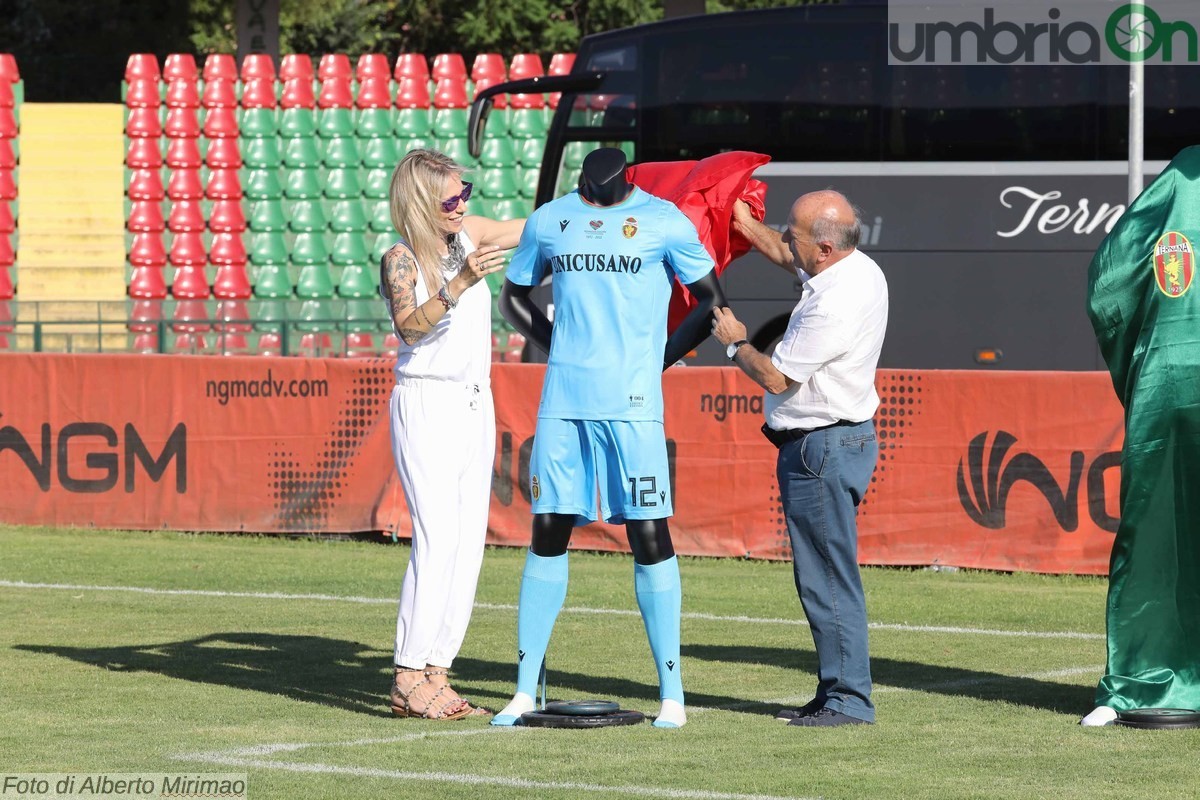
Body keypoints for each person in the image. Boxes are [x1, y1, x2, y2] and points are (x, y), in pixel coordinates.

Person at [491, 147, 726, 729]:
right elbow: (514, 297)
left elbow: (713, 304)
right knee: (549, 528)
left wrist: (658, 361)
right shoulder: (549, 219)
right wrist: (562, 348)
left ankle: (673, 695)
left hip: (634, 404)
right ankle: (523, 691)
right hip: (564, 401)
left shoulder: (665, 220)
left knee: (649, 533)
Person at [711, 190, 888, 727]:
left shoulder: (834, 302)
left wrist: (733, 342)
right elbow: (791, 255)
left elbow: (774, 376)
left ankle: (849, 701)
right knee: (824, 575)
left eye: (796, 234)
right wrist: (745, 223)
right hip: (836, 441)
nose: (786, 241)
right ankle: (835, 689)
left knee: (826, 578)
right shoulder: (855, 267)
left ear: (827, 248)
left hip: (821, 447)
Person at [379, 148, 524, 720]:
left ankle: (437, 671)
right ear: (423, 200)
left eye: (466, 191)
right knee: (437, 540)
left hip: (474, 399)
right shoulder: (402, 257)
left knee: (466, 548)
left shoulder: (470, 235)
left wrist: (601, 201)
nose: (463, 202)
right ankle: (408, 674)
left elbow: (530, 226)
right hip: (428, 400)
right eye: (451, 195)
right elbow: (409, 329)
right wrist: (459, 283)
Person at [1081, 145, 1200, 727]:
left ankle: (1156, 674)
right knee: (1163, 532)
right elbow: (1116, 275)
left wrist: (1141, 359)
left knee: (1165, 531)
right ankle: (1152, 677)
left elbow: (1111, 282)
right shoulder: (1180, 183)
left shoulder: (1181, 182)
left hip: (1174, 386)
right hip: (1176, 393)